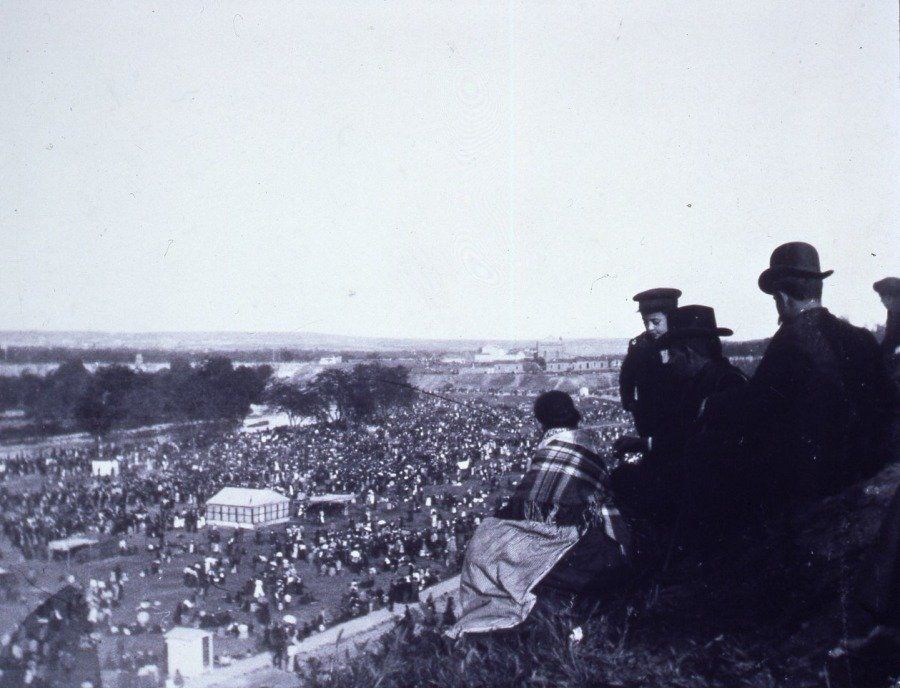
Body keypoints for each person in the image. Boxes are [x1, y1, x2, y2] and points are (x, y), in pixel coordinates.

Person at [446, 392, 629, 638]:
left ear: (540, 420)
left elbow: (526, 502)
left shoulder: (548, 449)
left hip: (557, 533)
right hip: (570, 533)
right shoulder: (586, 447)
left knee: (484, 544)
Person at [736, 242, 894, 509]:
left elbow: (756, 408)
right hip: (864, 474)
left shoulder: (788, 342)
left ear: (783, 298)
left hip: (809, 485)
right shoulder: (862, 338)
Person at [611, 306, 746, 541]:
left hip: (712, 495)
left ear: (689, 353)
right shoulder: (703, 380)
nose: (669, 363)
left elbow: (706, 450)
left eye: (672, 355)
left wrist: (649, 445)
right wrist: (645, 443)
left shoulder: (727, 384)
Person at [619, 288, 682, 438]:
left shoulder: (683, 343)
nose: (649, 328)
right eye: (645, 322)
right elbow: (626, 377)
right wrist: (630, 403)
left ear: (672, 318)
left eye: (656, 322)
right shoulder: (639, 345)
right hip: (648, 419)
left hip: (679, 418)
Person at [873, 277, 900, 385]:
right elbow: (890, 340)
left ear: (890, 298)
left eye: (882, 297)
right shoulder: (893, 313)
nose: (881, 301)